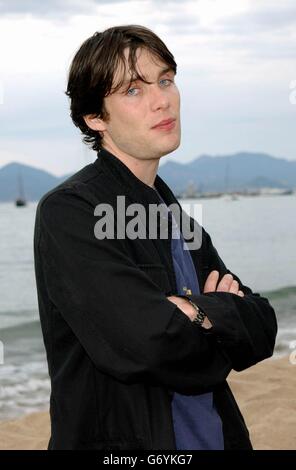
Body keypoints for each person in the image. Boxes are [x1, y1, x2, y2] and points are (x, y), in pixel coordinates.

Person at [33, 25, 277, 450]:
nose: (162, 98)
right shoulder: (71, 212)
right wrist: (219, 319)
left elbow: (261, 329)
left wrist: (196, 313)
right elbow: (150, 346)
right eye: (133, 90)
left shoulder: (172, 215)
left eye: (165, 80)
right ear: (95, 117)